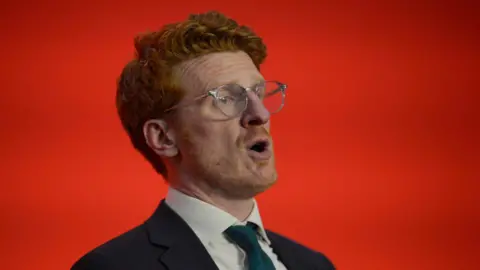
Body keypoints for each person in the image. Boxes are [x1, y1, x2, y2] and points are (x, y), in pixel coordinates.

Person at [71, 11, 335, 270]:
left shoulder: (314, 265)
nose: (260, 114)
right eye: (227, 98)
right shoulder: (113, 267)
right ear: (163, 137)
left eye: (258, 93)